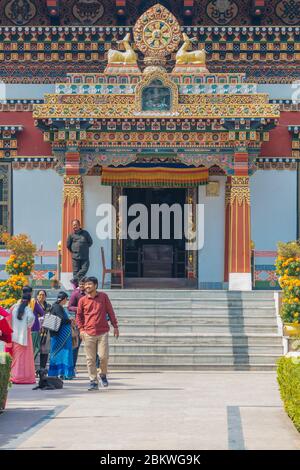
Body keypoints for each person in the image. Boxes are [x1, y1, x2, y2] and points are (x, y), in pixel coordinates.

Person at [76, 277, 119, 391]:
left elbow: (110, 311)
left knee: (103, 357)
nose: (87, 286)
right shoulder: (82, 300)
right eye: (85, 285)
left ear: (95, 285)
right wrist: (81, 330)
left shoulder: (103, 297)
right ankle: (93, 381)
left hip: (102, 332)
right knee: (90, 359)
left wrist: (115, 326)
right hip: (88, 333)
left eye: (89, 284)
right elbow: (79, 316)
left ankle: (103, 374)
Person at [10, 293, 36, 385]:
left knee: (16, 358)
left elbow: (8, 317)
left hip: (13, 336)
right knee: (25, 359)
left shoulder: (13, 308)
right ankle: (25, 378)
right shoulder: (28, 309)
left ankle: (14, 377)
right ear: (29, 301)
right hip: (24, 336)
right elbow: (32, 318)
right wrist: (27, 326)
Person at [48, 291, 75, 380]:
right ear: (63, 299)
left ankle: (60, 372)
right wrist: (70, 320)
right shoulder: (58, 307)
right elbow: (62, 319)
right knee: (64, 353)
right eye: (66, 299)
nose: (66, 301)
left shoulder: (55, 306)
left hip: (59, 334)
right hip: (61, 335)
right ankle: (64, 373)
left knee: (59, 353)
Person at [68, 278, 86, 371]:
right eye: (81, 284)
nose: (82, 286)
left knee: (94, 346)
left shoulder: (91, 293)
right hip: (80, 324)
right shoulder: (76, 294)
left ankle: (97, 367)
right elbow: (69, 307)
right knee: (76, 346)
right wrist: (79, 309)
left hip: (91, 324)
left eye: (84, 284)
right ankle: (72, 367)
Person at [67, 219, 93, 285]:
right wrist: (74, 251)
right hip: (75, 257)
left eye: (75, 225)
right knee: (76, 272)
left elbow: (90, 242)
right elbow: (68, 246)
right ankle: (77, 289)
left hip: (85, 256)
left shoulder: (85, 233)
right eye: (73, 225)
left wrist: (84, 248)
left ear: (79, 225)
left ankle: (75, 279)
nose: (74, 226)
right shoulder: (71, 235)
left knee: (85, 269)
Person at [35, 290, 51, 370]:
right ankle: (32, 369)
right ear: (37, 296)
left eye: (43, 295)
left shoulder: (48, 306)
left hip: (46, 331)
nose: (42, 296)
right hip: (36, 330)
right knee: (35, 349)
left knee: (45, 351)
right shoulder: (33, 305)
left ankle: (42, 369)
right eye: (40, 295)